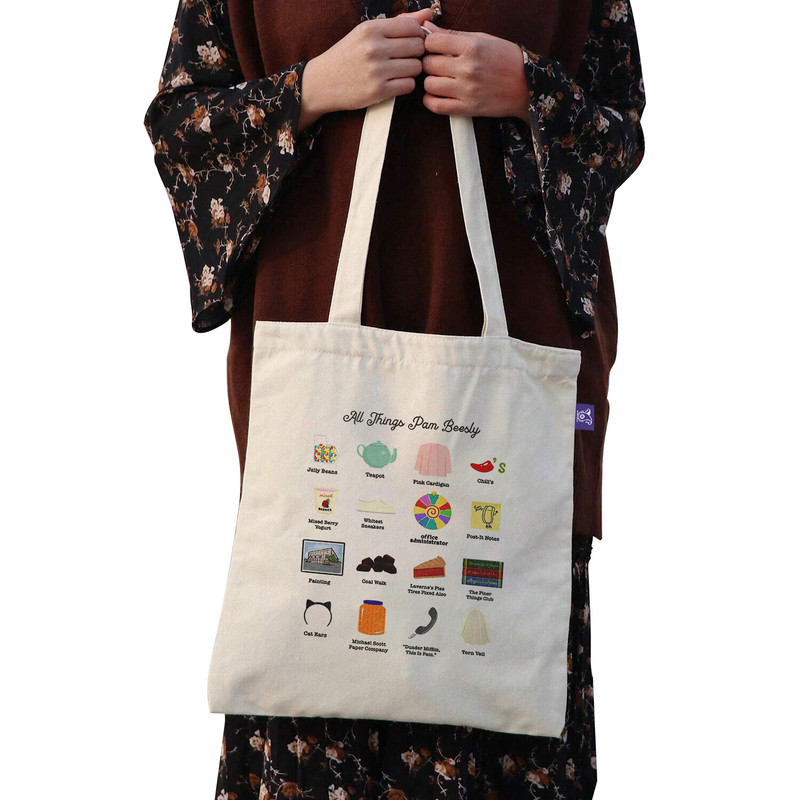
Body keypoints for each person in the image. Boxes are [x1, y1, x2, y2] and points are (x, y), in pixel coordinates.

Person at [143, 1, 645, 797]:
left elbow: (620, 127)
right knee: (314, 667)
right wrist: (312, 88)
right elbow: (181, 127)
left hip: (516, 400)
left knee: (508, 665)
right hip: (323, 404)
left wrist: (529, 91)